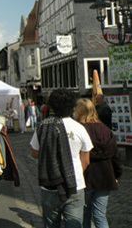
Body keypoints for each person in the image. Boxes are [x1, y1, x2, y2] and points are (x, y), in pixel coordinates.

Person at [30, 89, 93, 228]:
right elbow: (86, 159)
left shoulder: (42, 127)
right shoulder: (79, 128)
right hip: (75, 184)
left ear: (51, 106)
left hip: (49, 184)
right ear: (72, 106)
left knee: (51, 224)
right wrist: (72, 173)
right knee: (74, 224)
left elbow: (34, 153)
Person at [74, 99, 122, 228]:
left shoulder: (80, 130)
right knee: (100, 215)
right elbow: (115, 156)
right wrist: (116, 175)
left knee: (86, 213)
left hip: (86, 177)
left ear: (79, 112)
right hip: (105, 177)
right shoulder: (106, 130)